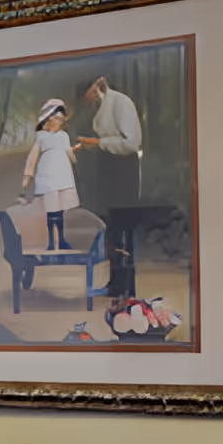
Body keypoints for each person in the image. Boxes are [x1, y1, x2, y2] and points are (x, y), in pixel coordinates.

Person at [75, 75, 142, 293]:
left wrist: (99, 142)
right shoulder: (101, 106)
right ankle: (115, 282)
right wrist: (92, 145)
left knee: (124, 227)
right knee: (111, 227)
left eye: (91, 95)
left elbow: (131, 144)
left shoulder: (121, 103)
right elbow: (105, 141)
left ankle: (127, 285)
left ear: (97, 87)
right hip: (108, 171)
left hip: (123, 172)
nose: (90, 100)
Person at [20, 99, 78, 250]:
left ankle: (61, 239)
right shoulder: (41, 137)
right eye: (52, 119)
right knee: (51, 207)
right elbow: (32, 157)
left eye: (58, 120)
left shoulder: (63, 136)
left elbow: (69, 152)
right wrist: (28, 176)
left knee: (60, 208)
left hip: (62, 174)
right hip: (47, 174)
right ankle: (52, 241)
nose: (55, 122)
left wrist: (74, 159)